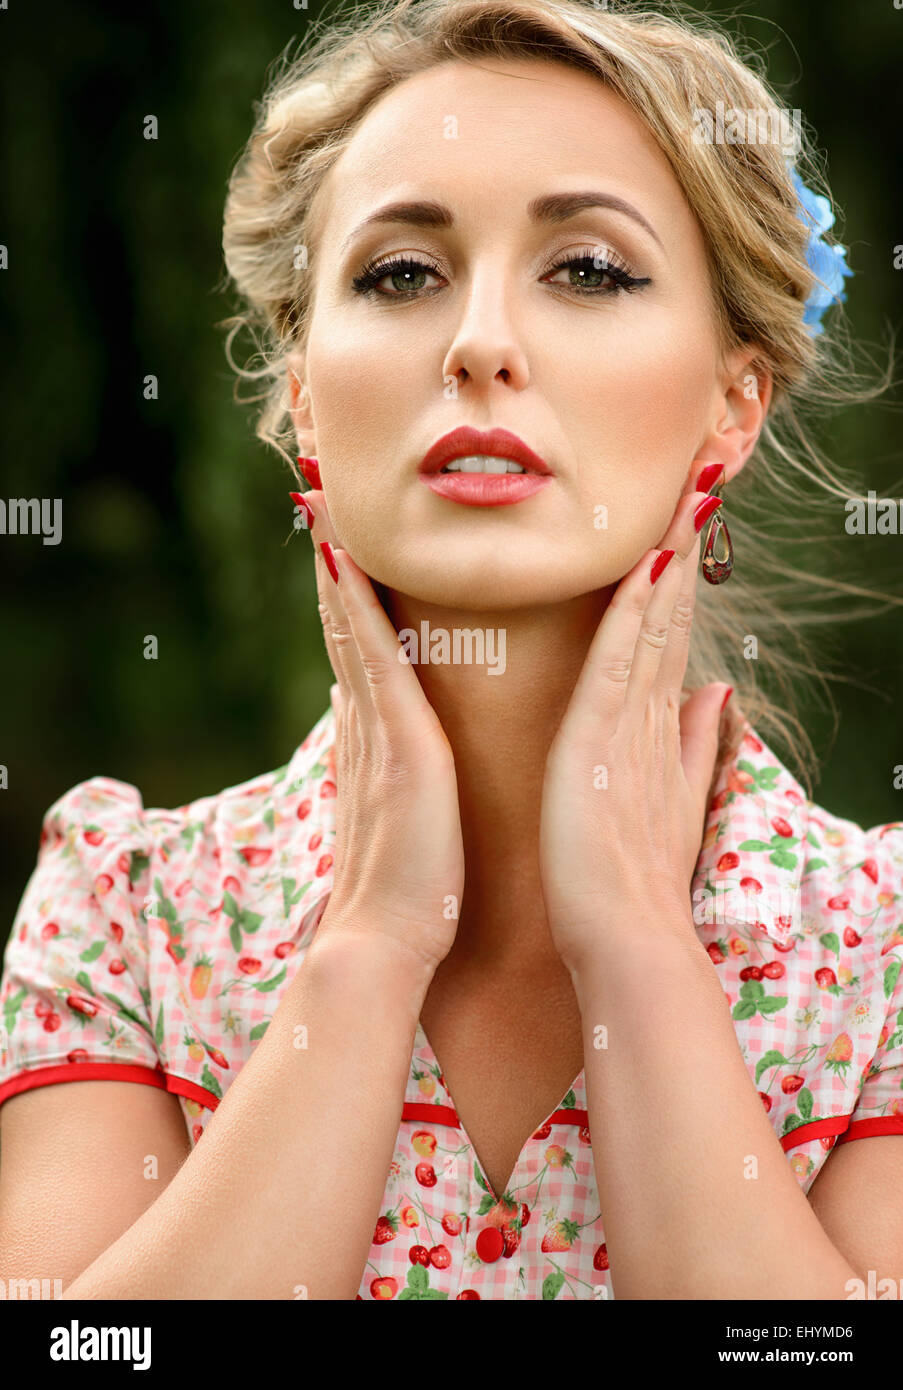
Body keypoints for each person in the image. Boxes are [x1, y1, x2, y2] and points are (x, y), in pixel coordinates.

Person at [1, 0, 901, 1301]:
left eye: (589, 269)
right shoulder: (121, 917)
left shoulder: (878, 951)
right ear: (302, 392)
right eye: (402, 272)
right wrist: (370, 943)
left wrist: (640, 952)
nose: (479, 342)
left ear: (732, 404)